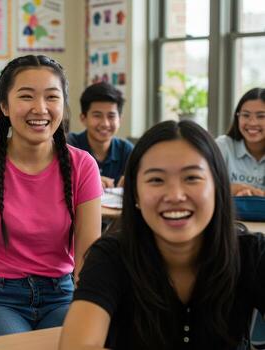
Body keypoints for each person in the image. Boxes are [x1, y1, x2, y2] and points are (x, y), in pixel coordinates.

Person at [59, 120, 265, 350]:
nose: (175, 195)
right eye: (156, 180)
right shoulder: (111, 257)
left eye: (191, 178)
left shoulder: (252, 253)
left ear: (217, 187)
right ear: (135, 193)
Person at [0, 55, 102, 341]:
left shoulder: (83, 166)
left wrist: (91, 316)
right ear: (4, 106)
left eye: (52, 97)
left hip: (61, 294)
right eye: (26, 96)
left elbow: (87, 256)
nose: (40, 108)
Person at [67, 82, 133, 188]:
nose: (105, 124)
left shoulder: (126, 150)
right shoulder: (69, 145)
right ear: (83, 118)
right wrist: (89, 180)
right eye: (97, 116)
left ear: (119, 120)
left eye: (111, 116)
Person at [216, 87, 264, 196]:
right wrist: (239, 189)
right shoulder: (221, 147)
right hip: (230, 213)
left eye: (261, 116)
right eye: (246, 115)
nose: (252, 123)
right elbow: (206, 186)